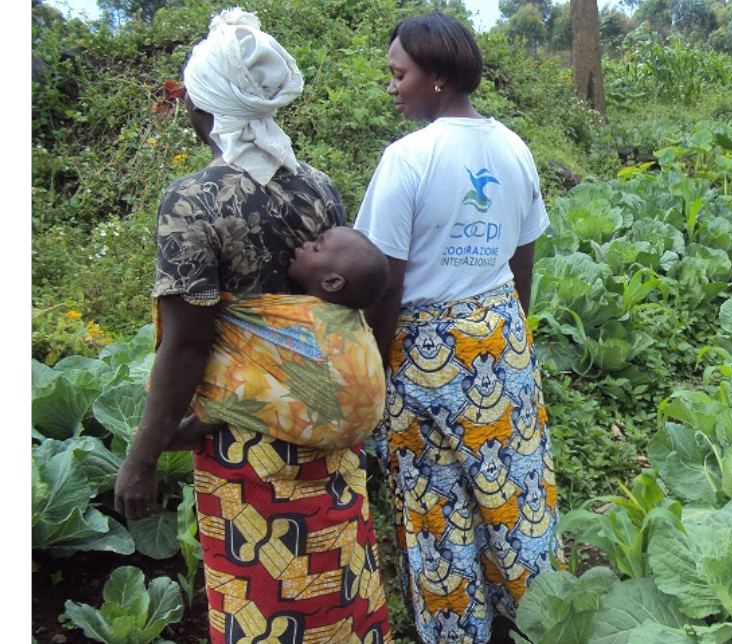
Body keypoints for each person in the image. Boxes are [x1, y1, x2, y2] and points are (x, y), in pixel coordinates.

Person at [113, 9, 392, 644]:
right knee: (332, 580)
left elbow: (188, 342)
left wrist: (143, 456)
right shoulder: (318, 190)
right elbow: (329, 322)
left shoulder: (194, 202)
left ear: (203, 108)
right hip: (322, 428)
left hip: (246, 446)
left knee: (262, 600)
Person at [355, 12, 560, 644]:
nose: (393, 87)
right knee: (517, 490)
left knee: (436, 506)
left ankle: (457, 631)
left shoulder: (407, 159)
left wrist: (378, 368)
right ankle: (542, 622)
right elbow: (522, 259)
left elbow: (384, 285)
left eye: (400, 74)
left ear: (437, 76)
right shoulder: (514, 146)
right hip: (502, 337)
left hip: (421, 352)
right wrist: (509, 339)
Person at [169, 225, 393, 452]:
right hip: (363, 426)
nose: (304, 244)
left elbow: (233, 319)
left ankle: (191, 432)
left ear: (332, 283)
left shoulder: (302, 319)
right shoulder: (351, 321)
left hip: (331, 424)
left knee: (242, 379)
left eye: (316, 248)